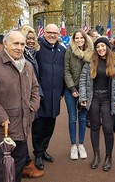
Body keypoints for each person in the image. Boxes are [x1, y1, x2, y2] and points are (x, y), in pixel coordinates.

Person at [0, 31, 40, 182]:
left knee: (17, 168)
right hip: (3, 129)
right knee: (2, 171)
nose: (19, 47)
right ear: (5, 44)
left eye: (22, 44)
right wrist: (1, 116)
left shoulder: (28, 66)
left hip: (23, 126)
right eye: (16, 43)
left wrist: (32, 107)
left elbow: (35, 89)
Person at [79, 37, 115, 172]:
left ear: (107, 47)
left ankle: (109, 156)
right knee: (95, 127)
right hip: (94, 98)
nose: (100, 49)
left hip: (108, 100)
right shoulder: (90, 62)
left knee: (108, 129)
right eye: (98, 46)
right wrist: (83, 97)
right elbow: (83, 80)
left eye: (103, 46)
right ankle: (96, 155)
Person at [32, 23, 66, 171]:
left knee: (50, 125)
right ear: (44, 33)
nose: (52, 35)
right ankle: (38, 153)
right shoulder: (37, 49)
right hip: (41, 95)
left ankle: (44, 149)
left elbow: (65, 71)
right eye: (49, 32)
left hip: (55, 94)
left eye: (55, 33)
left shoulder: (61, 50)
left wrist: (63, 91)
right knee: (38, 126)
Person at [64, 30, 94, 160]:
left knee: (82, 118)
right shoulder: (69, 51)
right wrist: (71, 88)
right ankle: (73, 145)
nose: (80, 40)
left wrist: (84, 91)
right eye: (77, 38)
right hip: (71, 89)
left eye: (82, 37)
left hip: (85, 91)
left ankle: (81, 144)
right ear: (74, 39)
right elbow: (66, 71)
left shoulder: (91, 53)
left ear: (85, 39)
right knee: (72, 118)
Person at [21, 25, 45, 178]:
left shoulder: (33, 53)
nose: (30, 41)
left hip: (32, 95)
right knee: (21, 131)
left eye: (32, 38)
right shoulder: (22, 53)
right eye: (27, 38)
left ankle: (26, 160)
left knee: (28, 129)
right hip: (23, 96)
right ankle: (24, 164)